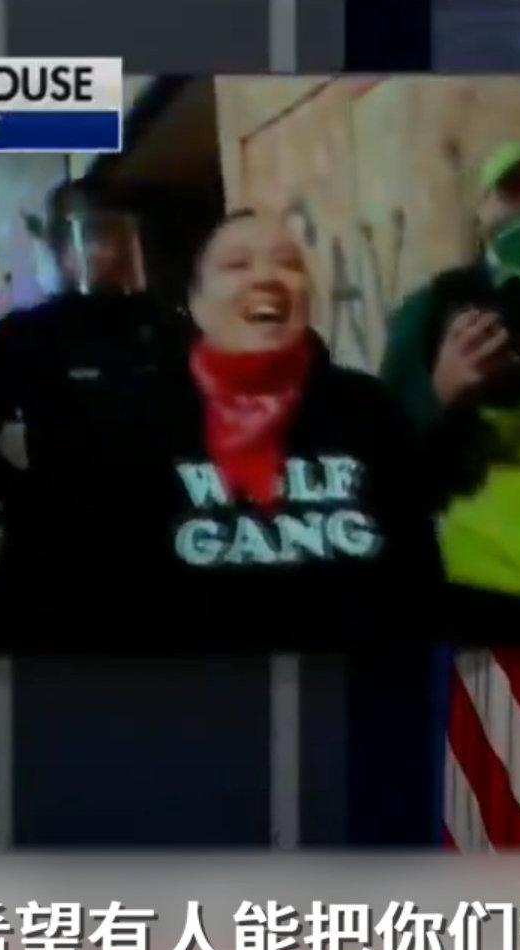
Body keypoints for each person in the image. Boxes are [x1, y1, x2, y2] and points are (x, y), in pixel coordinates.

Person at [155, 207, 438, 650]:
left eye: (288, 264)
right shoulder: (138, 422)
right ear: (196, 302)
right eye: (237, 264)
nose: (267, 277)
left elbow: (417, 575)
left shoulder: (369, 410)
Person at [0, 177, 192, 648]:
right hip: (63, 549)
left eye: (116, 237)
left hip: (163, 540)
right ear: (61, 249)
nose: (104, 252)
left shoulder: (167, 328)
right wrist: (30, 498)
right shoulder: (27, 335)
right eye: (90, 239)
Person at [379, 141, 520, 641]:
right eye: (515, 190)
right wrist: (441, 393)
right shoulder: (434, 307)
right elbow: (383, 453)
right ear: (482, 211)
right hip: (477, 595)